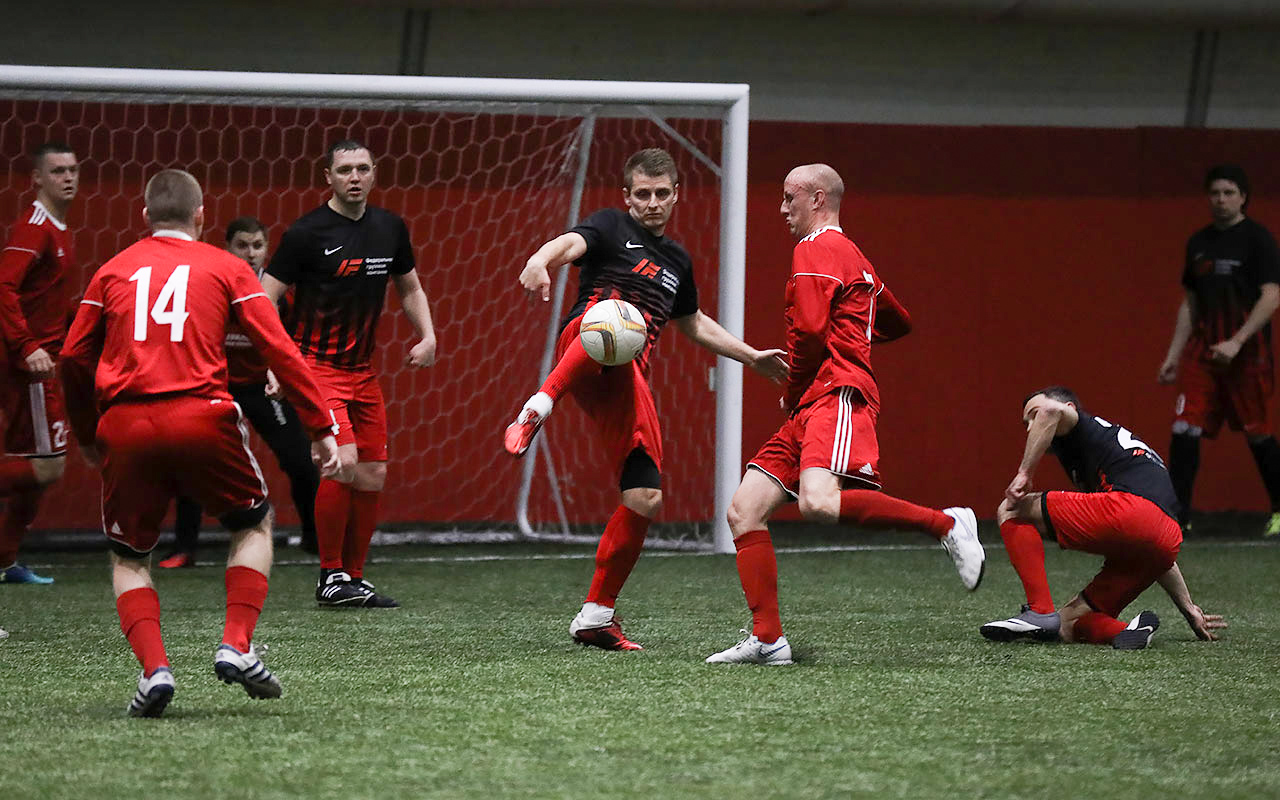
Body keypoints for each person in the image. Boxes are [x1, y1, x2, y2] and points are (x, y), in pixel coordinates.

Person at [59, 169, 340, 717]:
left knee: (129, 556)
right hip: (201, 415)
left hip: (126, 423)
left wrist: (86, 431)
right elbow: (278, 348)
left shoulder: (112, 270)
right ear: (202, 216)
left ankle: (154, 670)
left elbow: (72, 356)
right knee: (253, 524)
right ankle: (236, 644)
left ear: (145, 216)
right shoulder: (226, 267)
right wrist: (320, 426)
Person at [504, 147, 789, 651]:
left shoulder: (678, 261)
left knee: (645, 496)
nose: (652, 203)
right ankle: (537, 407)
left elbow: (693, 323)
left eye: (661, 193)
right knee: (613, 316)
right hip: (581, 346)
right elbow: (571, 243)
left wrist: (750, 357)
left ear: (676, 195)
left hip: (628, 378)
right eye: (642, 194)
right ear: (627, 197)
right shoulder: (609, 226)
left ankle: (596, 615)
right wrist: (539, 259)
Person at [705, 163, 985, 666]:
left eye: (789, 197)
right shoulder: (854, 256)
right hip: (817, 398)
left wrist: (795, 385)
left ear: (818, 199)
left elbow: (812, 332)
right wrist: (853, 331)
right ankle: (768, 640)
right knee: (744, 510)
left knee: (818, 503)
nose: (782, 208)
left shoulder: (814, 248)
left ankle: (946, 524)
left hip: (834, 393)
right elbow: (897, 321)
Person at [262, 139, 437, 608]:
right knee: (342, 463)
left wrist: (427, 336)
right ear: (329, 178)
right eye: (344, 170)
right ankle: (330, 575)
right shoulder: (306, 233)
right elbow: (264, 297)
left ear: (374, 173)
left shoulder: (389, 228)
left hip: (363, 371)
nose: (354, 177)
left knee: (373, 472)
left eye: (362, 169)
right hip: (315, 368)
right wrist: (277, 362)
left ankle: (353, 578)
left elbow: (410, 288)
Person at [982, 386, 1226, 649]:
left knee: (1011, 509)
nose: (1031, 426)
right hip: (1165, 540)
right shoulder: (1104, 450)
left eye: (1033, 415)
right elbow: (1156, 542)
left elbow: (1051, 410)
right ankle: (1130, 630)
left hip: (1130, 510)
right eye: (1026, 423)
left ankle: (1039, 610)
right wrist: (1188, 607)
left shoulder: (1077, 423)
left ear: (1070, 408)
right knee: (1066, 624)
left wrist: (1024, 473)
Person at [158, 217, 321, 568]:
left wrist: (280, 373)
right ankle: (184, 547)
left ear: (267, 250)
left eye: (257, 246)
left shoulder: (278, 294)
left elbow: (295, 340)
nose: (250, 253)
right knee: (193, 459)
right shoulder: (210, 286)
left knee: (301, 461)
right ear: (227, 248)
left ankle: (314, 539)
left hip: (264, 387)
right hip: (215, 385)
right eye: (242, 246)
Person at [1157, 165, 1280, 536]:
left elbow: (1271, 295)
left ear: (1243, 197)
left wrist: (1237, 341)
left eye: (1229, 193)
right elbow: (1190, 303)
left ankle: (1279, 510)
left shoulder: (1258, 240)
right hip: (1204, 354)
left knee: (1258, 433)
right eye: (1215, 193)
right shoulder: (1199, 243)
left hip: (1248, 355)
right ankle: (1177, 516)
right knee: (1184, 428)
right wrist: (1173, 356)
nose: (1221, 200)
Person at [0, 143, 79, 585]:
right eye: (57, 171)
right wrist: (27, 345)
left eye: (72, 170)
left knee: (34, 466)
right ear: (36, 179)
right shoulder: (34, 228)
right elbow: (3, 286)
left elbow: (44, 298)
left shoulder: (59, 227)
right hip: (28, 364)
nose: (67, 178)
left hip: (42, 362)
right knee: (48, 466)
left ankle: (4, 561)